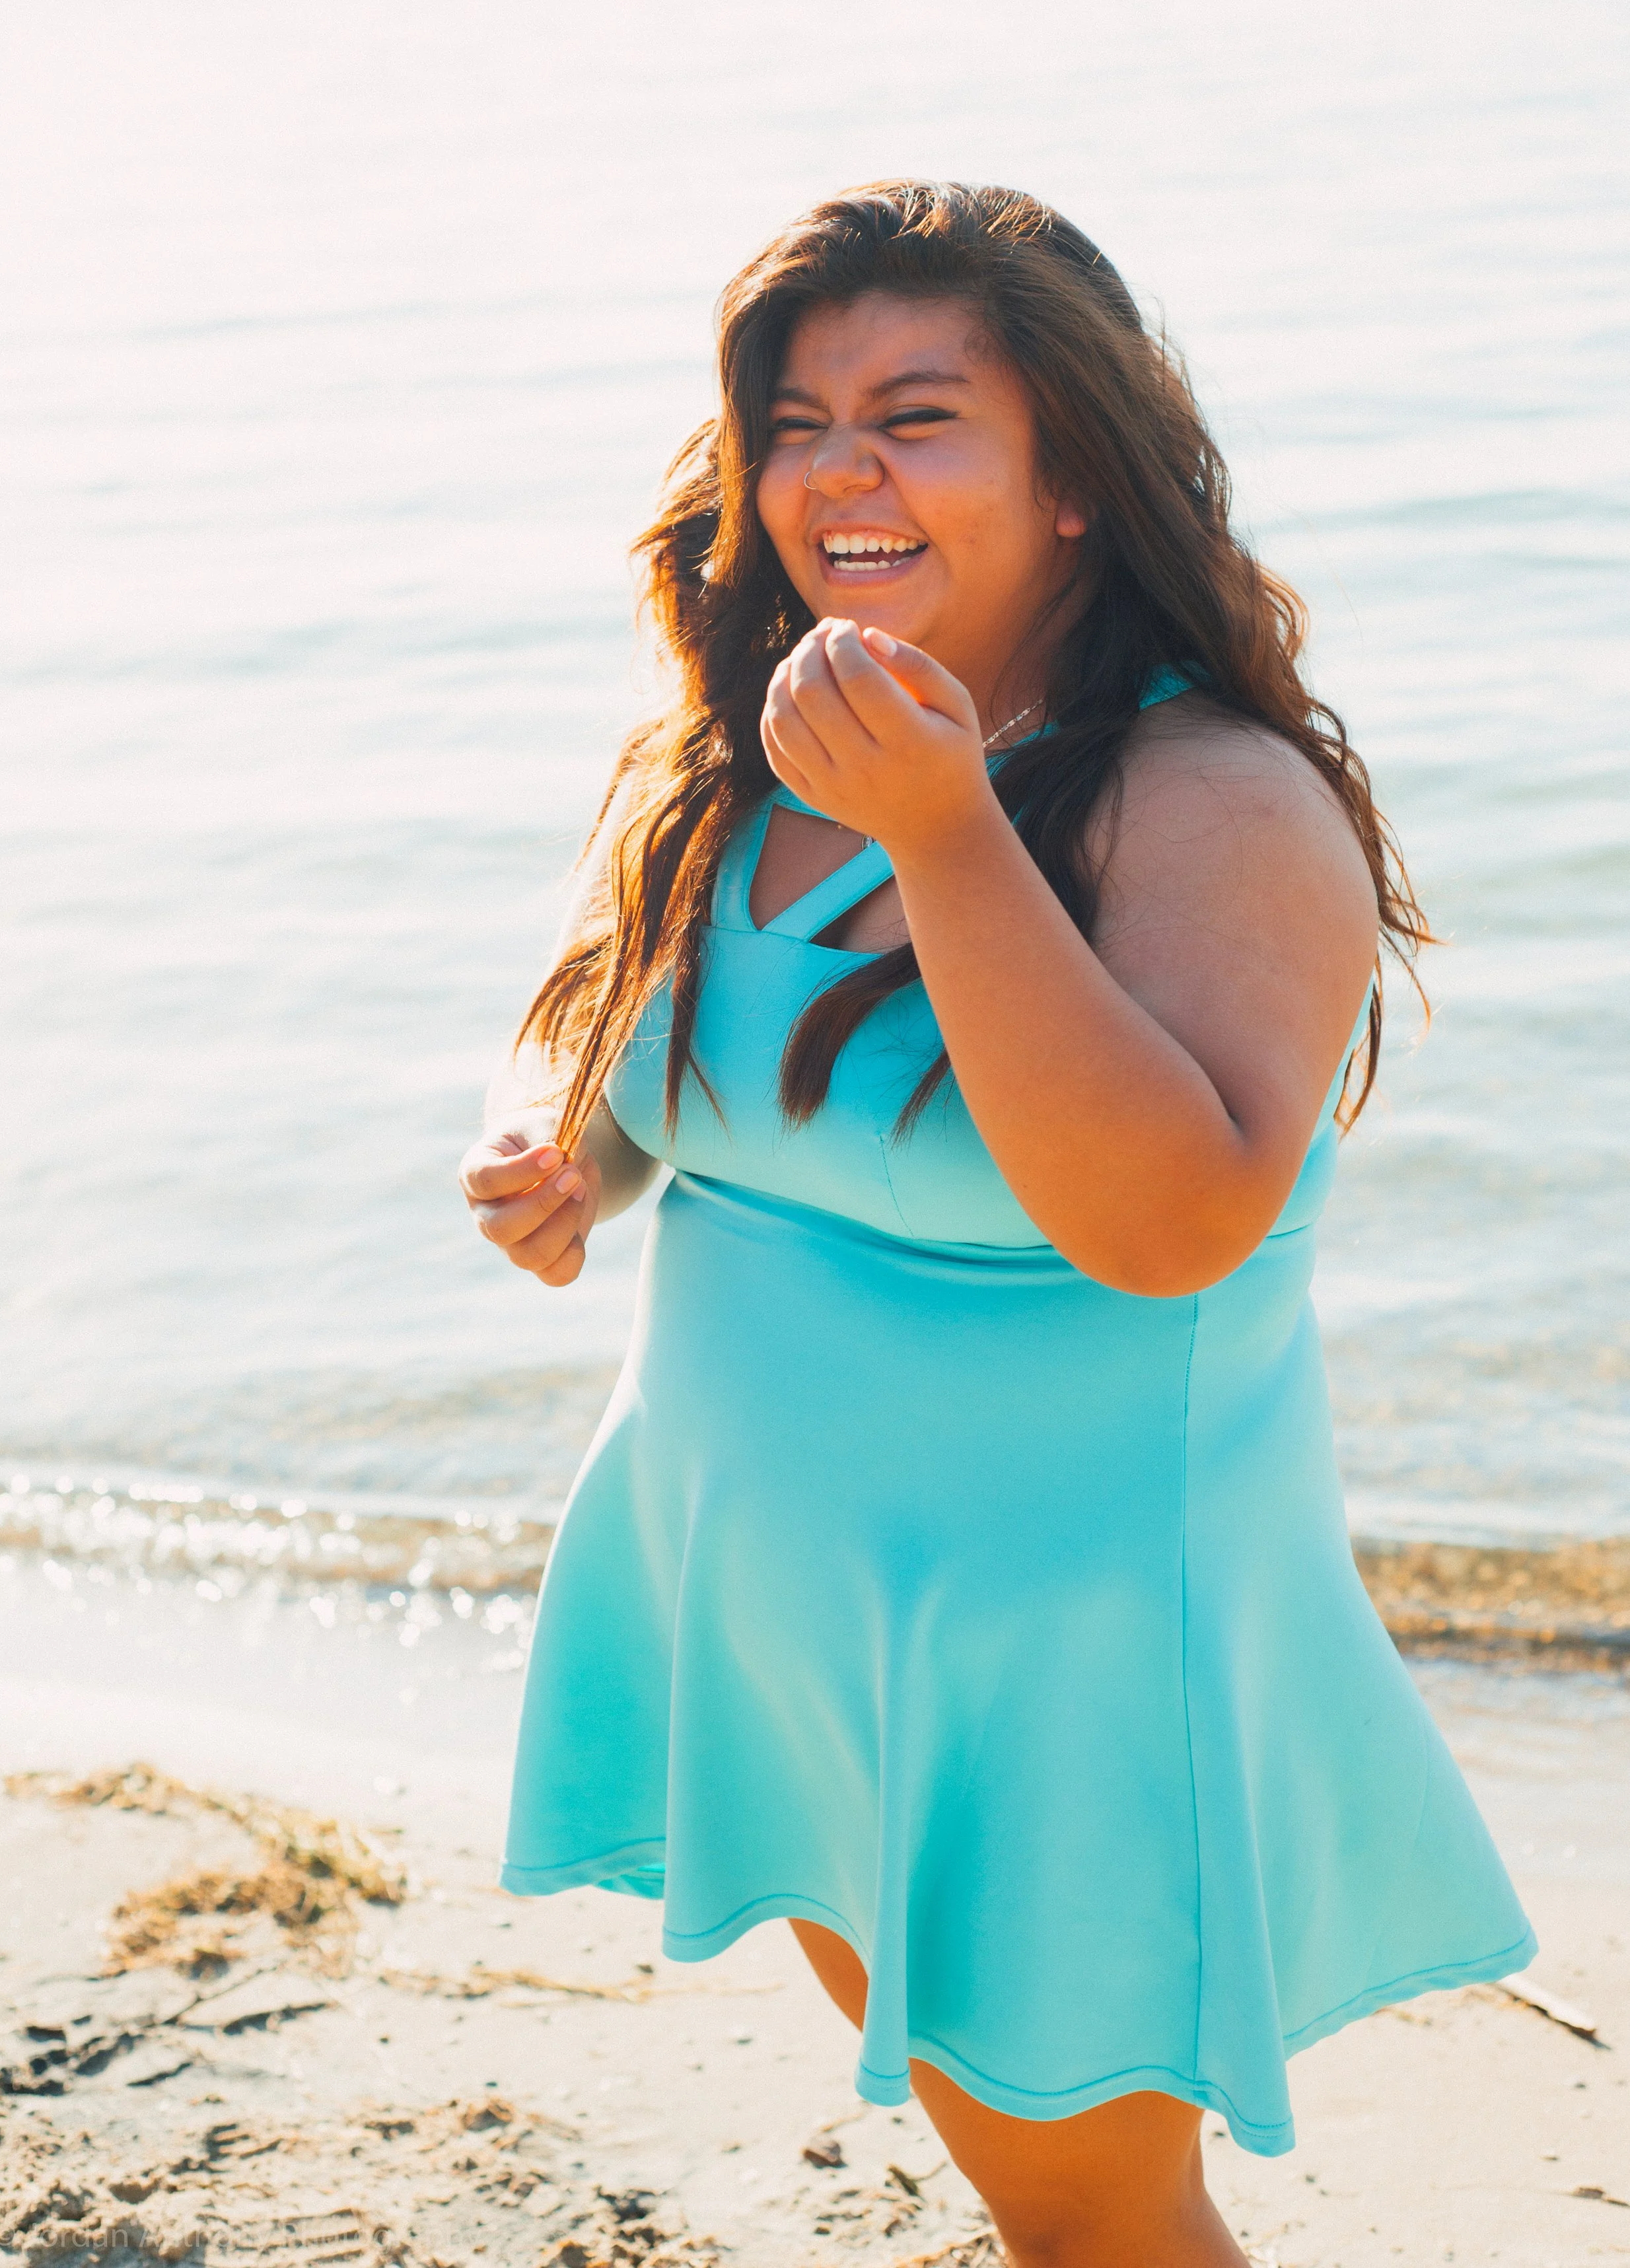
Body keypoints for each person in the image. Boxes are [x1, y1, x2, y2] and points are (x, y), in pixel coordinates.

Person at [458, 184, 1533, 2268]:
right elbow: (616, 1022)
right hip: (770, 1593)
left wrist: (945, 832)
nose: (836, 469)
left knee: (1096, 2217)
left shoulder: (1208, 798)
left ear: (1068, 482)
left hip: (1060, 1650)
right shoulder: (741, 742)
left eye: (916, 414)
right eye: (795, 418)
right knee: (1008, 2172)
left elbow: (1171, 1224)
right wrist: (557, 1158)